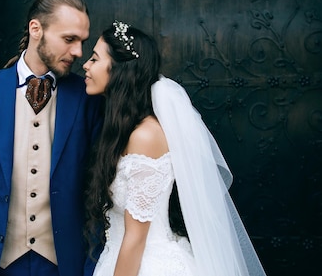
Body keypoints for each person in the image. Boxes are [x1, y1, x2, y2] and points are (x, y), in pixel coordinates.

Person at [82, 21, 266, 276]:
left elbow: (136, 238)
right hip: (119, 259)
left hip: (146, 265)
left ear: (120, 70)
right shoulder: (123, 130)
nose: (86, 66)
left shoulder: (145, 136)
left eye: (94, 59)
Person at [0, 0, 103, 276]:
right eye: (69, 39)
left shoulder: (87, 98)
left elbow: (97, 193)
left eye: (82, 42)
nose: (78, 52)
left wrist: (92, 267)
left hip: (63, 264)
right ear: (35, 29)